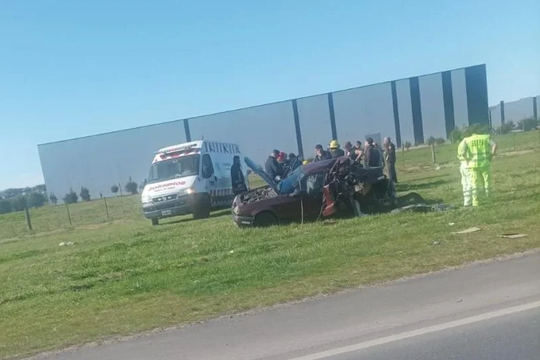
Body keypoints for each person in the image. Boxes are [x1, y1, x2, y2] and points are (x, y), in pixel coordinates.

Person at [457, 131, 498, 206]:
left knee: (474, 183)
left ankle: (476, 202)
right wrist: (491, 155)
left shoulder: (467, 140)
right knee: (487, 182)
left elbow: (463, 152)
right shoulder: (485, 137)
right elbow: (495, 145)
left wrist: (467, 160)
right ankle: (489, 199)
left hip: (473, 165)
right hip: (484, 163)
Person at [457, 138, 472, 207]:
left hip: (462, 164)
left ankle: (466, 200)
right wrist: (468, 160)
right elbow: (464, 153)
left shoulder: (460, 143)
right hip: (467, 163)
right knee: (470, 183)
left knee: (465, 183)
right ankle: (468, 202)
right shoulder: (466, 142)